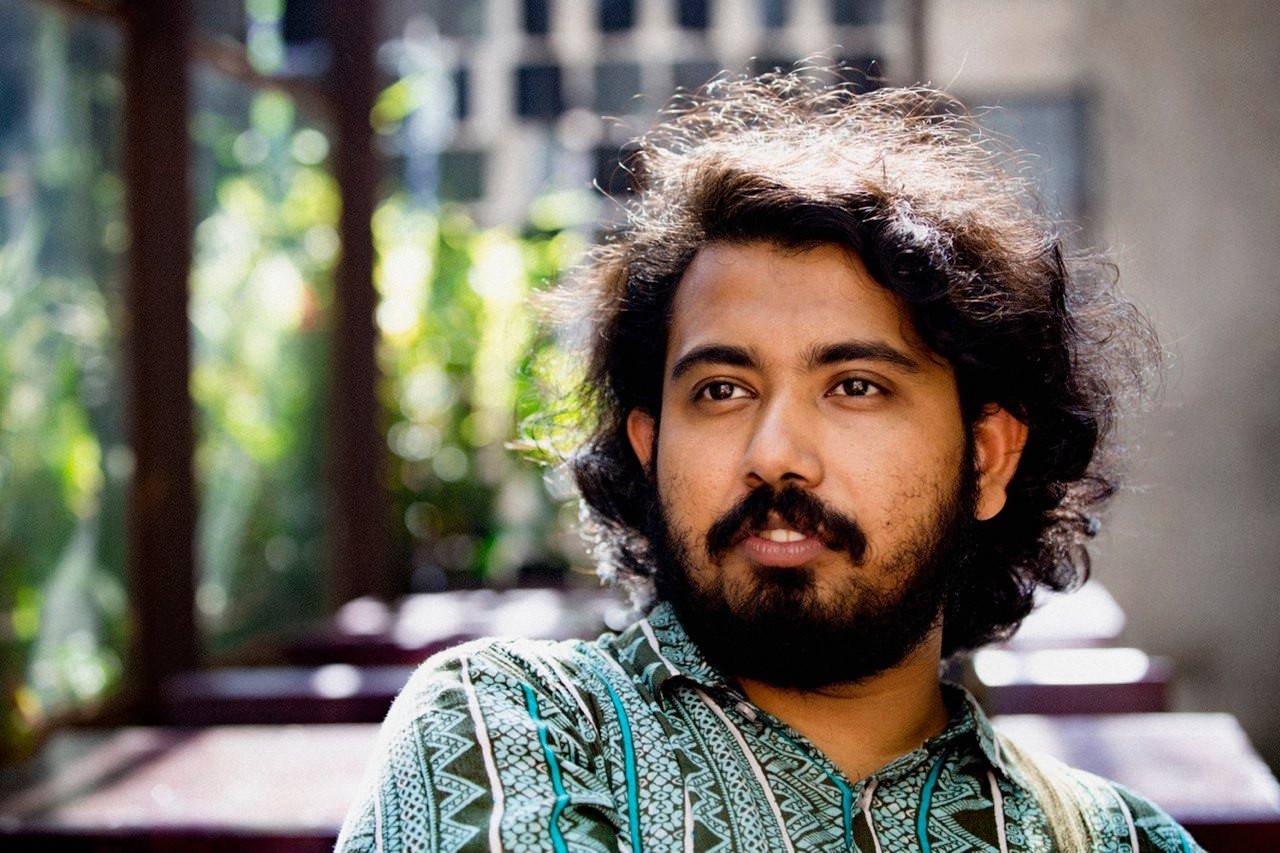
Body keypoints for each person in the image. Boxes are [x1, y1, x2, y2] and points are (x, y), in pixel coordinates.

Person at [337, 69, 1201, 852]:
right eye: (722, 390)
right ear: (648, 447)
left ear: (987, 458)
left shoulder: (1118, 839)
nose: (775, 454)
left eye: (856, 386)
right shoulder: (507, 728)